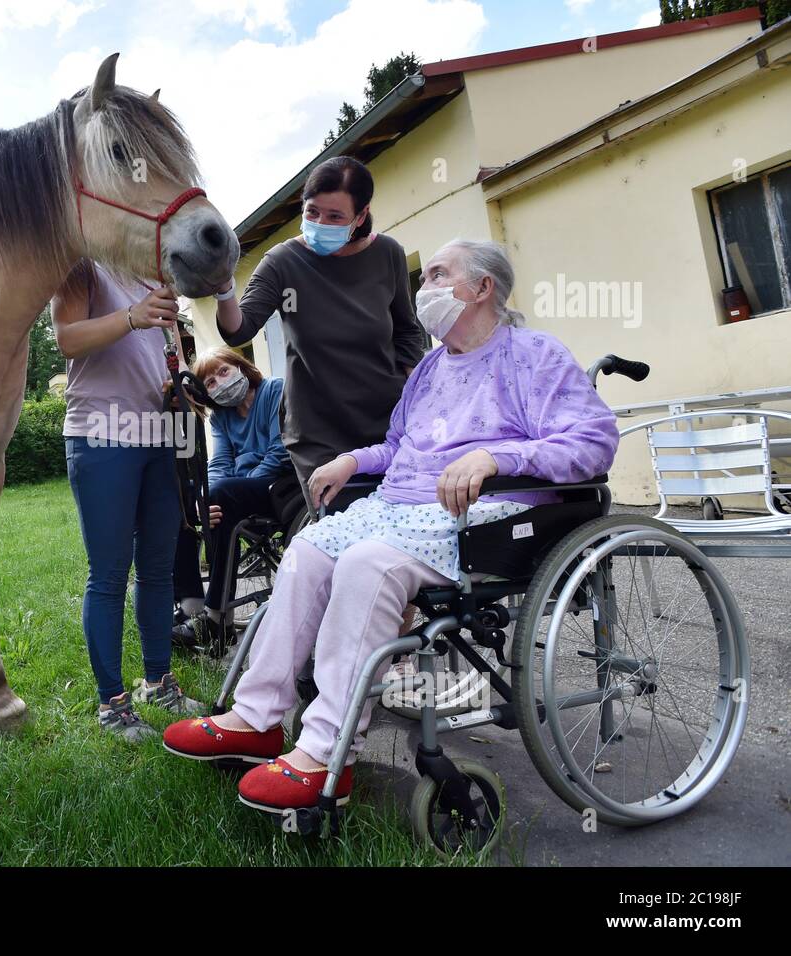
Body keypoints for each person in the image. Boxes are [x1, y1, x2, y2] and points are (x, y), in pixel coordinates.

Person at [163, 239, 620, 813]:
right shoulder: (430, 366)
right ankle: (256, 716)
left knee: (366, 564)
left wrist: (498, 458)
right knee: (305, 552)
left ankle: (326, 751)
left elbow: (594, 441)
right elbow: (402, 446)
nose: (422, 289)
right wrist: (355, 460)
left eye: (436, 275)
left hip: (487, 511)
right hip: (400, 505)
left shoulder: (533, 355)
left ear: (482, 288)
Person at [211, 156, 425, 512]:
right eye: (312, 213)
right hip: (319, 434)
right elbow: (239, 329)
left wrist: (414, 395)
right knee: (342, 535)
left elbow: (407, 331)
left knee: (403, 529)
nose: (320, 223)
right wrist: (223, 289)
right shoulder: (283, 261)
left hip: (388, 426)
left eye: (335, 217)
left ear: (361, 215)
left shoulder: (388, 254)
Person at [51, 259, 202, 742]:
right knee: (110, 573)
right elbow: (67, 338)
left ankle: (159, 682)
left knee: (159, 568)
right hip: (100, 436)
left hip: (159, 435)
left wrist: (178, 386)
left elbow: (170, 356)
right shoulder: (83, 267)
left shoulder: (161, 281)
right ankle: (112, 702)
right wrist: (132, 317)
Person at [172, 348, 292, 644]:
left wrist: (229, 490)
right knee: (182, 499)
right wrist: (202, 500)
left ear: (241, 367)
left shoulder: (274, 390)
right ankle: (192, 605)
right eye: (210, 382)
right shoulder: (221, 418)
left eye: (223, 371)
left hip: (279, 486)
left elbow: (279, 452)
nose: (219, 382)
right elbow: (220, 464)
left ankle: (216, 620)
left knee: (223, 495)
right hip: (239, 490)